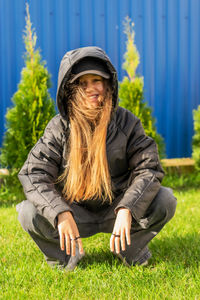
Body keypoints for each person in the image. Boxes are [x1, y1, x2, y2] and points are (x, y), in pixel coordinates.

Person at [16, 46, 177, 271]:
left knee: (165, 200)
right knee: (28, 212)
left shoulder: (127, 123)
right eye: (83, 83)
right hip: (75, 212)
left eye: (97, 80)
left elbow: (148, 167)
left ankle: (129, 249)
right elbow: (34, 173)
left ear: (108, 84)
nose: (92, 89)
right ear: (70, 90)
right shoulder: (58, 128)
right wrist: (60, 212)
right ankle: (65, 256)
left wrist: (128, 209)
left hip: (117, 209)